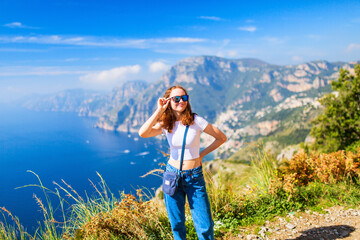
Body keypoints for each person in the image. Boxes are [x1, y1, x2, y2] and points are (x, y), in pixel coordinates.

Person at [138, 85, 227, 240]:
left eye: (184, 98)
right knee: (177, 224)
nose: (181, 101)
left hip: (194, 177)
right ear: (168, 101)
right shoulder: (166, 123)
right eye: (176, 98)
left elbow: (221, 137)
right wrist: (159, 110)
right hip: (172, 175)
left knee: (205, 225)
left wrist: (202, 155)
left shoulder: (196, 121)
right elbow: (143, 133)